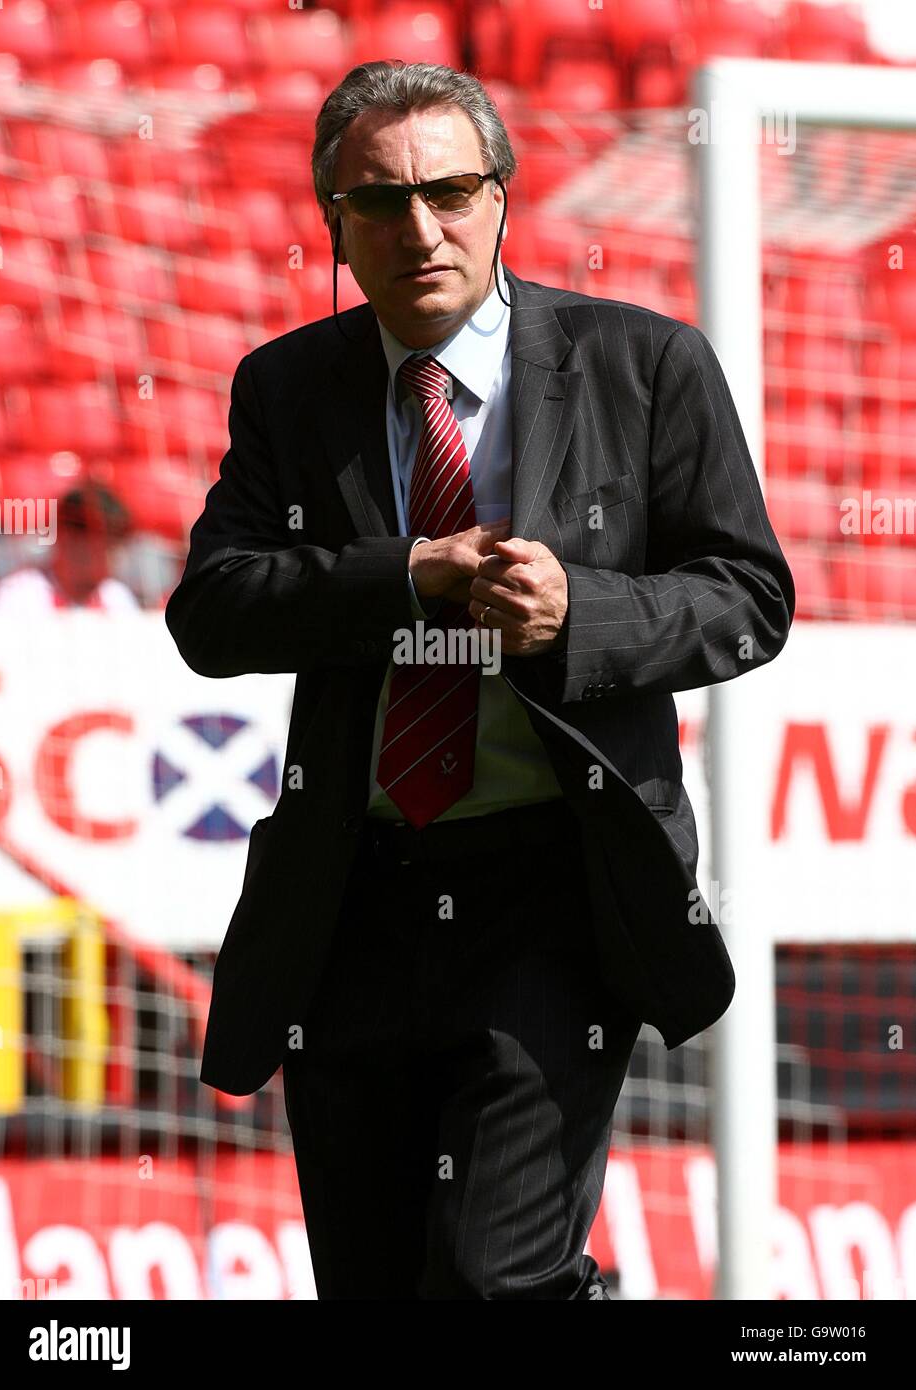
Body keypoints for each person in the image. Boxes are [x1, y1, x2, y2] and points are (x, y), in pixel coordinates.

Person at [165, 60, 795, 1300]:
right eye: (380, 203)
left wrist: (583, 611)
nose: (421, 227)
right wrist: (401, 572)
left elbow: (750, 598)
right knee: (376, 1281)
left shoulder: (647, 364)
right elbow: (213, 611)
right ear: (332, 225)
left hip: (556, 880)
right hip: (350, 893)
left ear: (502, 196)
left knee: (491, 1274)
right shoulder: (287, 386)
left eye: (451, 191)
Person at [0, 482, 138, 612]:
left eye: (116, 544)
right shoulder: (19, 597)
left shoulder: (118, 599)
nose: (113, 556)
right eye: (106, 543)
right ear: (66, 537)